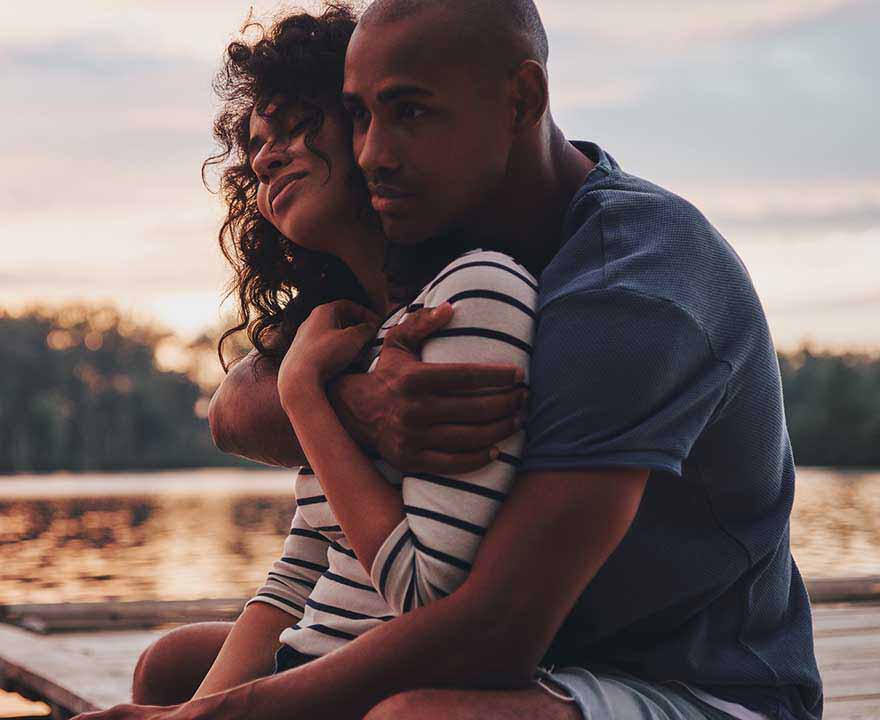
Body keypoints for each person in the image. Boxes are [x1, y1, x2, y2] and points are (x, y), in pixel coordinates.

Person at [78, 1, 823, 718]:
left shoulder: (630, 285)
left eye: (410, 111)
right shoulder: (438, 259)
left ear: (522, 97)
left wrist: (233, 713)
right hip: (549, 657)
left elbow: (492, 634)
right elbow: (237, 407)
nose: (373, 152)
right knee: (174, 668)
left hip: (691, 681)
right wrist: (350, 397)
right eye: (360, 116)